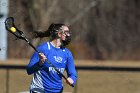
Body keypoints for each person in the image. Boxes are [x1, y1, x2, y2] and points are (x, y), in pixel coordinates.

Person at [27, 23, 77, 93]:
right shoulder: (43, 49)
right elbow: (29, 70)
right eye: (66, 32)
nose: (68, 35)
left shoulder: (67, 53)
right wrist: (40, 63)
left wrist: (72, 79)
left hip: (57, 91)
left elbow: (73, 73)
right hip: (39, 90)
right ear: (59, 34)